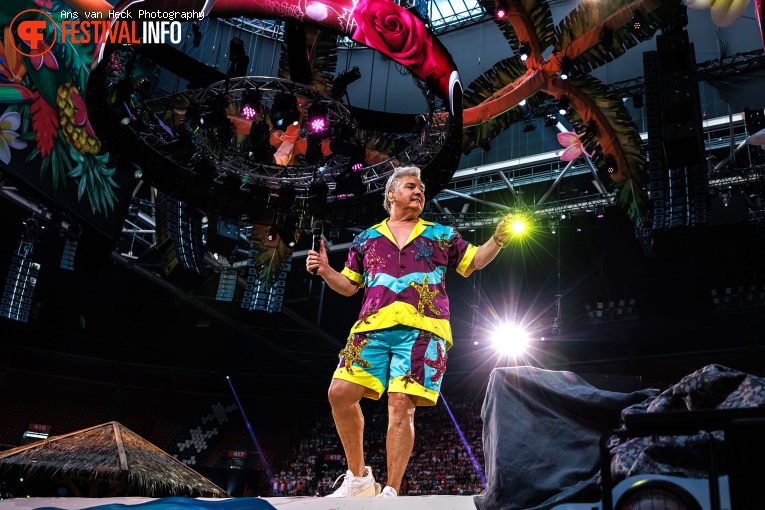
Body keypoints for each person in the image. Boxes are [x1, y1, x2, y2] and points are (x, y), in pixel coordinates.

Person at [305, 165, 511, 498]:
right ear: (391, 194)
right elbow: (347, 287)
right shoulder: (366, 238)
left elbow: (474, 262)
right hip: (370, 328)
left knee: (401, 403)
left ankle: (390, 490)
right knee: (339, 393)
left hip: (424, 331)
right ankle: (359, 479)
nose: (419, 192)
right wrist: (327, 270)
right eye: (411, 186)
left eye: (422, 189)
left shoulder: (441, 233)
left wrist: (498, 239)